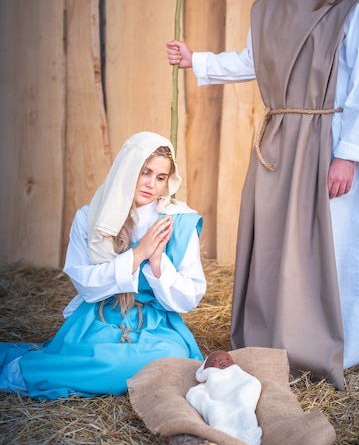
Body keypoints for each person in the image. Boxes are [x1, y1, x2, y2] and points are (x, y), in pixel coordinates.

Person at [167, 0, 359, 390]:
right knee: (276, 247)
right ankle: (276, 342)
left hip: (330, 143)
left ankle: (348, 344)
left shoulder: (356, 7)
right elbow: (251, 61)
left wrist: (348, 155)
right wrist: (194, 59)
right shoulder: (269, 8)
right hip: (280, 143)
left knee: (331, 243)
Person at [0, 131, 206, 399]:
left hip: (156, 324)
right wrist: (138, 255)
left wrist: (158, 263)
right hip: (98, 317)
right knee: (109, 358)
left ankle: (62, 370)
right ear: (128, 168)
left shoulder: (177, 222)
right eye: (145, 172)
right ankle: (25, 371)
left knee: (170, 359)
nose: (151, 184)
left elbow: (189, 297)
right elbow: (86, 285)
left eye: (160, 177)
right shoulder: (89, 217)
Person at [186, 350, 263, 445]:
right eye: (215, 360)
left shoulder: (238, 374)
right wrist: (208, 404)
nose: (223, 362)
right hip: (220, 403)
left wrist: (244, 391)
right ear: (206, 368)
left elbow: (253, 382)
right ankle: (223, 433)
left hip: (240, 399)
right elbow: (195, 394)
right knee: (217, 411)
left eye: (228, 359)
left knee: (244, 407)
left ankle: (247, 434)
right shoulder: (210, 380)